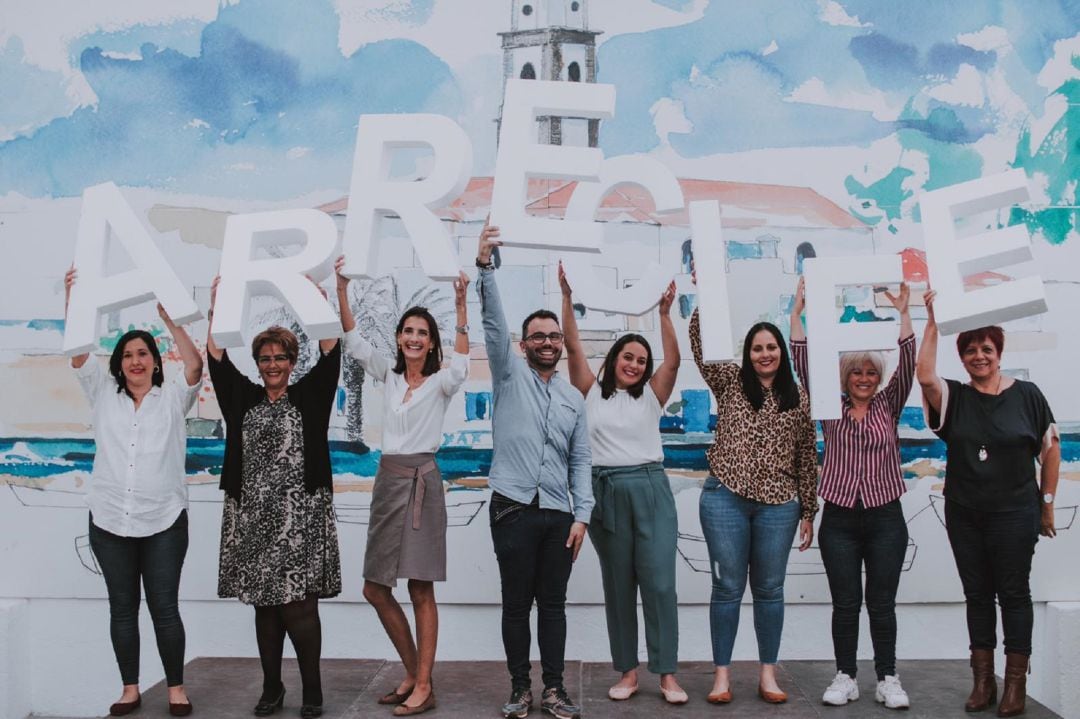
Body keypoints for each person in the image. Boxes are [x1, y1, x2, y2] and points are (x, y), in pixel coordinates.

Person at [335, 258, 471, 717]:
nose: (414, 338)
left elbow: (462, 366)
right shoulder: (389, 376)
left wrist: (460, 307)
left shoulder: (440, 383)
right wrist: (341, 289)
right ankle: (415, 674)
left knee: (420, 589)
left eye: (423, 333)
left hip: (423, 484)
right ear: (398, 337)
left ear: (431, 343)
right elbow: (354, 341)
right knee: (375, 588)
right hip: (387, 483)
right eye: (408, 331)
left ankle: (423, 683)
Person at [65, 267, 202, 717]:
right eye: (127, 355)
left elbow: (195, 366)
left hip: (163, 520)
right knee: (122, 609)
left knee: (164, 608)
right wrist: (74, 300)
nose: (135, 361)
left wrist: (171, 323)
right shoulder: (103, 393)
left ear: (156, 361)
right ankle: (130, 689)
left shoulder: (174, 397)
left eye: (143, 353)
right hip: (109, 519)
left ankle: (176, 688)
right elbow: (79, 353)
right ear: (119, 364)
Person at [916, 289, 1059, 718]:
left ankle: (1016, 685)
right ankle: (983, 682)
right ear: (962, 357)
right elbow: (925, 375)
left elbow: (1051, 450)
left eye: (987, 349)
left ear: (999, 353)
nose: (979, 356)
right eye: (971, 350)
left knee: (1014, 594)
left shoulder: (1028, 395)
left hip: (1016, 513)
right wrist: (932, 321)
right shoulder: (955, 396)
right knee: (977, 594)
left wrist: (1047, 505)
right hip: (965, 513)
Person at [206, 276, 342, 719]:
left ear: (292, 361)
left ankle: (312, 691)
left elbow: (331, 352)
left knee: (301, 608)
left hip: (300, 519)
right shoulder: (242, 397)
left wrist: (319, 305)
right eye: (265, 358)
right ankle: (271, 688)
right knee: (265, 609)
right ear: (257, 362)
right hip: (253, 519)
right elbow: (216, 358)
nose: (272, 365)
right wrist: (217, 308)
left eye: (280, 357)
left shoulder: (310, 395)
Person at [476, 225, 594, 719]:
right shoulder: (508, 374)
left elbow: (580, 460)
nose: (547, 342)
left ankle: (554, 690)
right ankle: (520, 688)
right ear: (523, 345)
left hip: (558, 515)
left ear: (562, 343)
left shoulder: (572, 398)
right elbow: (493, 320)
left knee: (553, 606)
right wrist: (484, 267)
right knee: (515, 604)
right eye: (538, 336)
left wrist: (582, 515)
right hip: (512, 508)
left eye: (554, 336)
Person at [557, 263, 687, 705]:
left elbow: (674, 361)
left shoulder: (652, 395)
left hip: (651, 489)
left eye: (641, 361)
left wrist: (664, 314)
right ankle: (628, 672)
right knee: (618, 586)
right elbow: (572, 345)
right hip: (605, 491)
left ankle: (667, 673)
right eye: (628, 357)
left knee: (660, 584)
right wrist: (567, 297)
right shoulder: (590, 391)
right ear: (614, 359)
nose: (634, 364)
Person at [789, 277, 915, 709]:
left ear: (879, 378)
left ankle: (888, 678)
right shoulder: (829, 405)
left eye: (871, 372)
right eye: (857, 372)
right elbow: (803, 363)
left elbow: (908, 361)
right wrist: (797, 313)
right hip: (840, 518)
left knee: (881, 603)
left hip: (885, 517)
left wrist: (904, 313)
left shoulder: (889, 404)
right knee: (845, 603)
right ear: (845, 376)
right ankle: (845, 676)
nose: (864, 378)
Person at [689, 287, 817, 705]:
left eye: (771, 347)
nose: (765, 354)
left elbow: (806, 456)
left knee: (770, 590)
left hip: (779, 505)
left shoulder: (798, 398)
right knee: (727, 588)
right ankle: (721, 677)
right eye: (758, 348)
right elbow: (700, 345)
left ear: (781, 352)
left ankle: (768, 675)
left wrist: (809, 511)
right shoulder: (729, 382)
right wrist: (703, 291)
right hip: (725, 497)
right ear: (748, 353)